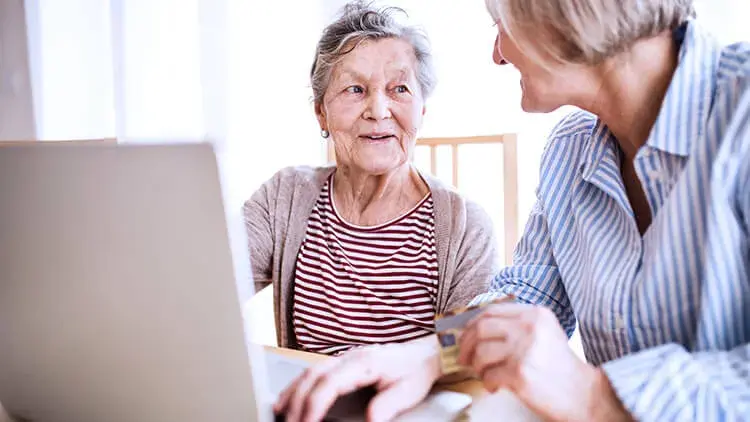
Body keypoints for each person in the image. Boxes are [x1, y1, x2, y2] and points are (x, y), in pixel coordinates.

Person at [274, 0, 750, 420]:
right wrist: (426, 354)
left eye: (500, 21)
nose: (498, 53)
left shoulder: (741, 114)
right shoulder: (570, 149)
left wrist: (596, 397)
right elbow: (525, 295)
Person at [243, 2, 500, 356]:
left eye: (399, 90)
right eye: (355, 89)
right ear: (321, 112)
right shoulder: (284, 197)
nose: (378, 111)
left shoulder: (466, 226)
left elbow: (468, 357)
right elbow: (209, 282)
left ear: (421, 110)